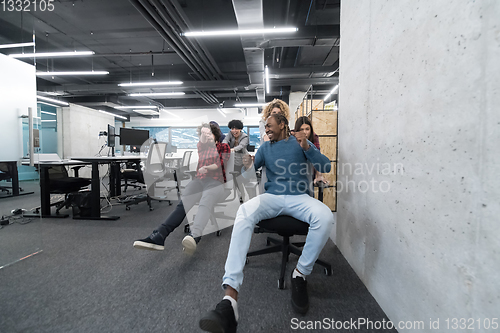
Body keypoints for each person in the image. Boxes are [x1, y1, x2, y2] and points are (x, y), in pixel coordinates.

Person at [199, 113, 333, 333]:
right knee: (243, 212)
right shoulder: (264, 148)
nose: (266, 129)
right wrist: (247, 165)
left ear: (282, 125)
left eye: (270, 126)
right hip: (272, 198)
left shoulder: (300, 142)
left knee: (326, 217)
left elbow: (326, 167)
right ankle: (230, 297)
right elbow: (248, 176)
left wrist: (308, 147)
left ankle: (300, 273)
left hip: (300, 197)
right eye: (265, 127)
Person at [133, 122, 231, 254]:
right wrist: (203, 133)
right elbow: (202, 141)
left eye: (209, 134)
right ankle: (159, 236)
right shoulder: (201, 146)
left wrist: (207, 168)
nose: (206, 136)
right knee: (182, 205)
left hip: (216, 183)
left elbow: (220, 163)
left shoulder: (224, 147)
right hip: (200, 181)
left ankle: (194, 236)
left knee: (205, 202)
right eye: (203, 134)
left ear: (215, 134)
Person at [294, 116, 329, 186]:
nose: (304, 132)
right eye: (301, 129)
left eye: (307, 129)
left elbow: (317, 157)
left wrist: (319, 175)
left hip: (309, 173)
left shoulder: (314, 138)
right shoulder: (292, 138)